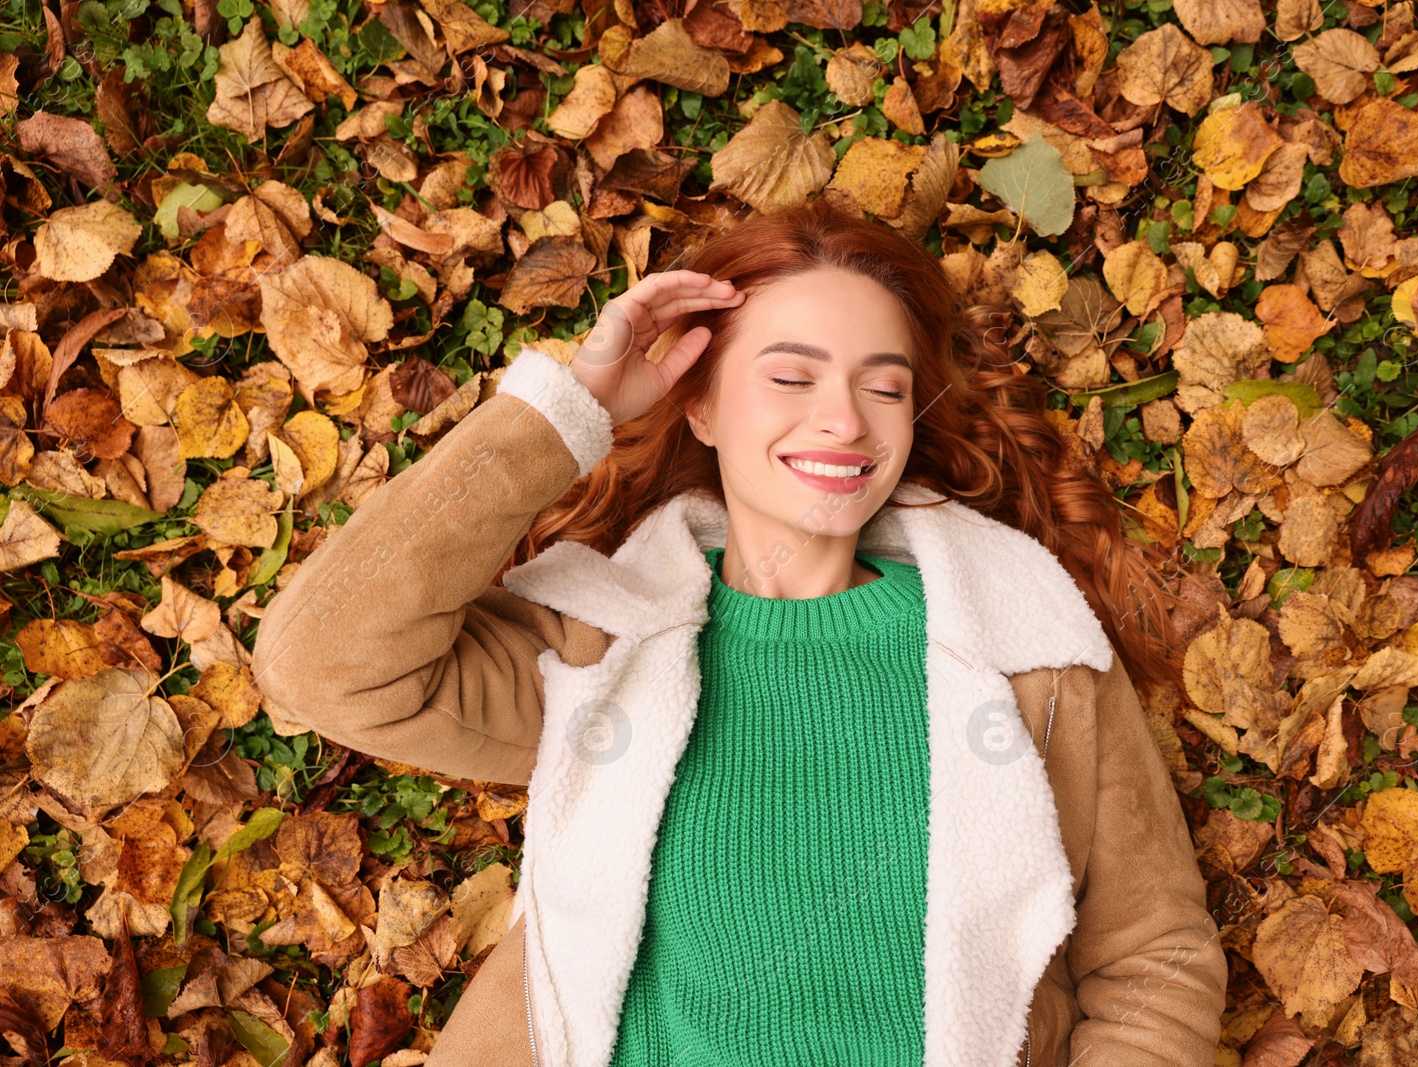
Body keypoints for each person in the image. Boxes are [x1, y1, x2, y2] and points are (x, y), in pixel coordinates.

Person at [252, 197, 1228, 1067]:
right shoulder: (598, 643)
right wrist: (570, 410)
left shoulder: (1029, 652)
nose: (843, 419)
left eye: (883, 386)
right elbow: (318, 663)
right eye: (792, 376)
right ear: (703, 403)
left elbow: (1155, 954)